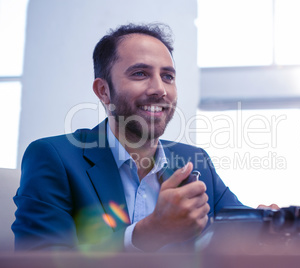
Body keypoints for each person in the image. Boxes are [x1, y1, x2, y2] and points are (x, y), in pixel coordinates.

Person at [12, 23, 277, 252]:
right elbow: (40, 258)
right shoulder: (53, 157)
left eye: (168, 76)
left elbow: (239, 228)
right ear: (103, 91)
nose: (160, 89)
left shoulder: (195, 161)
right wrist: (148, 233)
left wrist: (276, 225)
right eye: (140, 73)